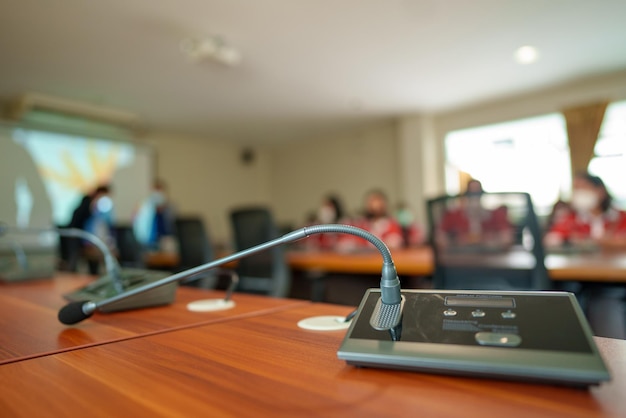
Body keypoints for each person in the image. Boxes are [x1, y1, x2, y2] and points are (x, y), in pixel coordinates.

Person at [545, 172, 626, 250]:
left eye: (583, 187)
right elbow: (550, 240)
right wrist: (571, 240)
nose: (579, 193)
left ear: (600, 191)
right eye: (576, 189)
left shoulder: (621, 217)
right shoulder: (570, 219)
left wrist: (601, 242)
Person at [67, 184, 116, 274]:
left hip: (91, 239)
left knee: (94, 264)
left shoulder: (101, 206)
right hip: (79, 237)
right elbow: (85, 223)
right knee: (75, 262)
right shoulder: (88, 204)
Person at [133, 179, 177, 251]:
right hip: (146, 242)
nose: (158, 195)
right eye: (156, 191)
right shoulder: (144, 207)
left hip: (166, 243)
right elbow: (137, 224)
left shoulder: (170, 207)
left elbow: (172, 225)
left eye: (160, 191)